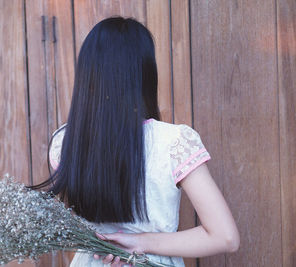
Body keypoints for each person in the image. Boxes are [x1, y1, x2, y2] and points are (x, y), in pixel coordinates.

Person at [30, 16, 240, 267]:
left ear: (87, 76)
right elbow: (225, 237)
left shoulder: (65, 142)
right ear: (145, 74)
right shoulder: (173, 142)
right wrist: (139, 242)